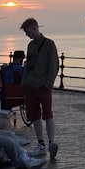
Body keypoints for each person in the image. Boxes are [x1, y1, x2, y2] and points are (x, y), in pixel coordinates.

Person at [20, 17, 60, 160]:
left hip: (43, 86)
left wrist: (48, 84)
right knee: (34, 115)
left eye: (27, 31)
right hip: (30, 85)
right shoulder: (30, 46)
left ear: (34, 27)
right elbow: (28, 65)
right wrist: (24, 82)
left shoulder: (49, 44)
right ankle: (42, 143)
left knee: (47, 114)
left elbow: (54, 65)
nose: (27, 34)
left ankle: (51, 142)